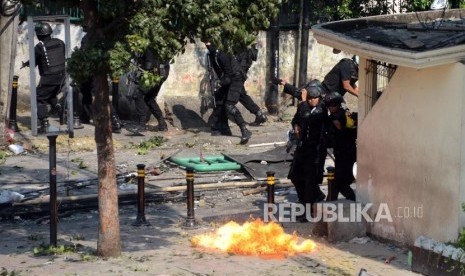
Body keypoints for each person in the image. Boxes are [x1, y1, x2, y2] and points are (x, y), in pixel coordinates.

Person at [287, 83, 327, 221]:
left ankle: (308, 211)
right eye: (309, 98)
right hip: (302, 147)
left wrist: (303, 103)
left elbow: (309, 117)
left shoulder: (322, 109)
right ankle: (310, 200)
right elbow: (296, 119)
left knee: (310, 181)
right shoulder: (303, 107)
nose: (311, 100)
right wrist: (296, 126)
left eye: (314, 98)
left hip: (315, 150)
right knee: (295, 177)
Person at [205, 42, 252, 144]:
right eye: (205, 42)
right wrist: (218, 84)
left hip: (236, 78)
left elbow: (229, 74)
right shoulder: (212, 55)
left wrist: (220, 83)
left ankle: (245, 130)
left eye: (208, 42)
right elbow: (219, 72)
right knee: (219, 101)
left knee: (229, 105)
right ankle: (222, 128)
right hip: (228, 78)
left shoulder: (223, 54)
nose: (207, 44)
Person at [25, 22, 66, 133]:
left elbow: (33, 63)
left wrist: (27, 64)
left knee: (38, 98)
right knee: (50, 95)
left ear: (39, 35)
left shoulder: (39, 47)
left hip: (49, 78)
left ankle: (44, 123)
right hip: (62, 78)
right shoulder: (60, 42)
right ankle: (59, 108)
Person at [325, 92, 357, 201]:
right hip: (342, 153)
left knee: (340, 182)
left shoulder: (340, 116)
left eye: (332, 105)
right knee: (337, 182)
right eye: (328, 105)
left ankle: (353, 201)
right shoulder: (336, 116)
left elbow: (349, 133)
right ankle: (330, 203)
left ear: (338, 104)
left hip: (346, 153)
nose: (330, 107)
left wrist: (340, 129)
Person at [133, 47, 169, 132]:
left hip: (154, 74)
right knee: (149, 98)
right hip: (162, 73)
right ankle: (162, 124)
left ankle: (142, 124)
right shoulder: (161, 43)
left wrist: (140, 75)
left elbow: (149, 64)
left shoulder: (149, 44)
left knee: (137, 94)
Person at [234, 44, 267, 126]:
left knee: (241, 95)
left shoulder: (242, 45)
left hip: (238, 72)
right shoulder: (247, 44)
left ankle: (258, 114)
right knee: (241, 95)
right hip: (240, 71)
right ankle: (258, 114)